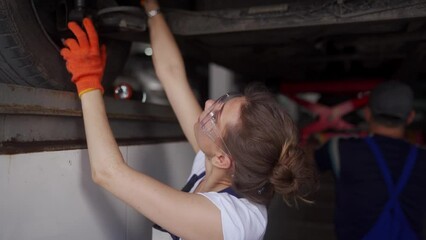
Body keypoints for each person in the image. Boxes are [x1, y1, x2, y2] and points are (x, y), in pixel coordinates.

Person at [60, 0, 317, 239]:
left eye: (215, 116)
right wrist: (153, 9)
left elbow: (108, 173)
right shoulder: (219, 166)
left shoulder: (232, 220)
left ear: (223, 159)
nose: (207, 105)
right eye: (222, 101)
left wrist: (88, 81)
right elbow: (171, 74)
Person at [314, 80, 426, 240]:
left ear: (367, 113)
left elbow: (308, 161)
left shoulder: (340, 149)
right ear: (410, 117)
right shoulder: (422, 159)